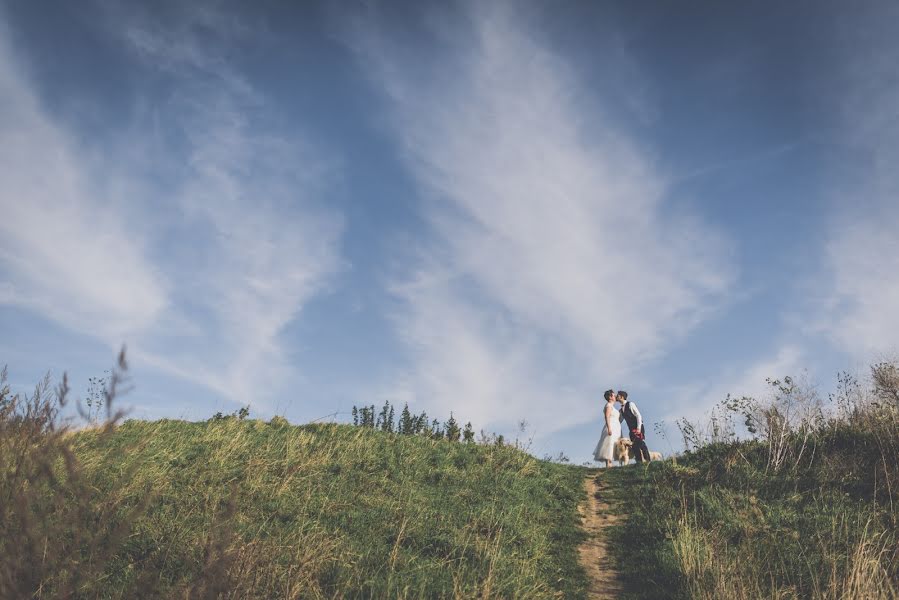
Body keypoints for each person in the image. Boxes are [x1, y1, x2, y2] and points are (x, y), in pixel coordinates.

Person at [618, 391, 651, 463]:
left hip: (638, 427)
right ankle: (639, 462)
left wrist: (638, 428)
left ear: (622, 397)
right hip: (631, 430)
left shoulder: (630, 404)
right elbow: (619, 421)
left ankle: (648, 460)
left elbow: (638, 415)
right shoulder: (621, 410)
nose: (617, 397)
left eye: (618, 396)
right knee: (634, 446)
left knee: (640, 443)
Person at [593, 390, 621, 468]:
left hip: (616, 427)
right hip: (611, 425)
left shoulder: (613, 407)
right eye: (613, 395)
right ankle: (608, 463)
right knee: (609, 443)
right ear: (610, 397)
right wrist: (609, 428)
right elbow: (607, 417)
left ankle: (610, 463)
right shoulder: (608, 405)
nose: (615, 396)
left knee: (614, 444)